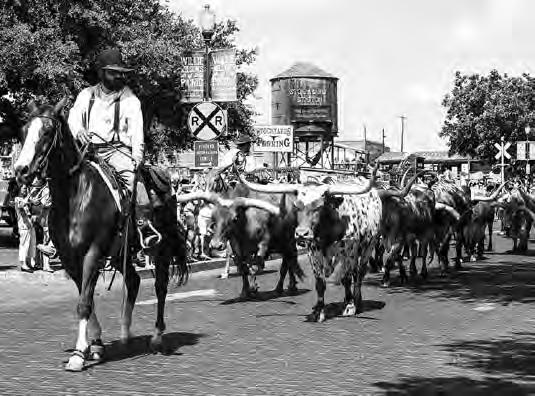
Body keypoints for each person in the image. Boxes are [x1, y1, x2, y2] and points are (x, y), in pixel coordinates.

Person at [68, 48, 160, 250]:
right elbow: (74, 117)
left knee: (134, 182)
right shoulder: (86, 95)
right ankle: (55, 234)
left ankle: (144, 227)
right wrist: (78, 130)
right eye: (113, 72)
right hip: (89, 152)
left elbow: (137, 133)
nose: (119, 76)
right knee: (63, 179)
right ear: (102, 73)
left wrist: (137, 156)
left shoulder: (130, 100)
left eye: (121, 72)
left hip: (118, 152)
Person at [15, 186, 36, 272]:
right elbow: (21, 205)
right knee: (24, 245)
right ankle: (23, 264)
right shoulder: (17, 199)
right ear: (19, 189)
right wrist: (29, 196)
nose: (25, 190)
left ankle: (29, 263)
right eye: (24, 188)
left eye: (26, 188)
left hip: (30, 225)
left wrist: (33, 200)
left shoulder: (27, 199)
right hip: (23, 226)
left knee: (31, 245)